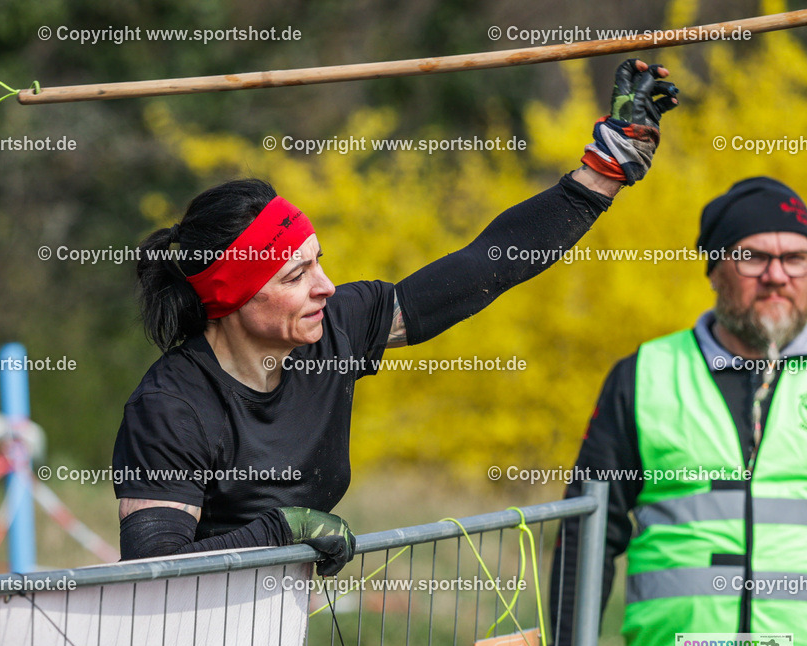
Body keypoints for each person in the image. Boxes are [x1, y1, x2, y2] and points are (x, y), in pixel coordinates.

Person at [113, 59, 679, 576]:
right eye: (294, 277)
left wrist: (606, 170)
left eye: (319, 263)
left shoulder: (337, 331)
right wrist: (281, 532)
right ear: (230, 299)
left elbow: (484, 267)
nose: (325, 287)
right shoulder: (170, 409)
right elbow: (152, 574)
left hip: (273, 634)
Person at [550, 177, 807, 646]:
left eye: (795, 258)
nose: (777, 276)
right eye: (753, 257)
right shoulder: (645, 374)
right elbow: (589, 534)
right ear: (714, 270)